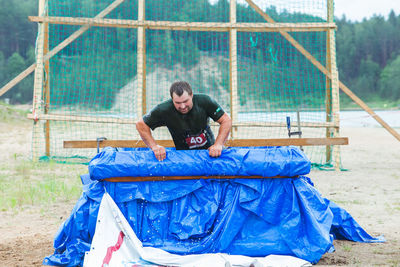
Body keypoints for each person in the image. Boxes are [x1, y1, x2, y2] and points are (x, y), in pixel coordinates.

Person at [136, 81, 232, 161]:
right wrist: (154, 147)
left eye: (186, 101)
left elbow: (226, 120)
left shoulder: (205, 101)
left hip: (209, 154)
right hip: (184, 158)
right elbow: (141, 124)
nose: (182, 106)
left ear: (191, 95)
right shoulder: (164, 109)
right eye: (177, 103)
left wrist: (218, 144)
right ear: (172, 99)